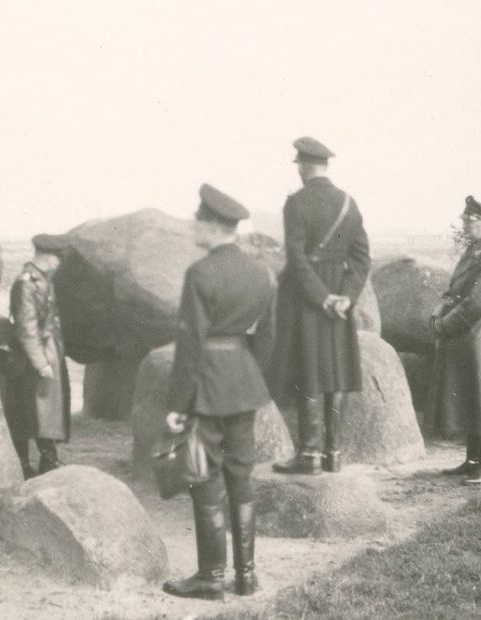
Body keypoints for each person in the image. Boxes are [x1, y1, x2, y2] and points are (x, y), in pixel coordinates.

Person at [161, 184, 276, 601]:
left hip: (206, 385)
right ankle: (246, 576)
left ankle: (211, 577)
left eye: (198, 220)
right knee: (242, 475)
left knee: (203, 475)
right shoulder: (260, 271)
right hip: (243, 382)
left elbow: (190, 344)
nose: (194, 225)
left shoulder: (201, 273)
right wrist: (247, 375)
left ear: (213, 225)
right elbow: (267, 337)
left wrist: (176, 405)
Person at [269, 136, 371, 475]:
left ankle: (309, 455)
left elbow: (296, 259)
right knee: (335, 373)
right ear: (324, 166)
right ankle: (334, 454)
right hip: (339, 299)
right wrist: (345, 295)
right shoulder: (348, 203)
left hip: (306, 299)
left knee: (309, 371)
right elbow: (360, 258)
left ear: (302, 166)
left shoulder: (296, 203)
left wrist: (321, 297)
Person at [426, 196, 481, 485]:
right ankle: (472, 459)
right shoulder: (473, 250)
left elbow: (480, 301)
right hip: (463, 332)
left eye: (468, 221)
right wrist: (438, 313)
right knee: (471, 396)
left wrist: (446, 325)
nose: (464, 225)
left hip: (476, 333)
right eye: (464, 220)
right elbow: (454, 289)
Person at [6, 233, 71, 479]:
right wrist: (40, 362)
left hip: (47, 350)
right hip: (30, 355)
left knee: (46, 409)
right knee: (29, 410)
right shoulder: (27, 282)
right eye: (56, 257)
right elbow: (26, 325)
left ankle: (48, 458)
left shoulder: (41, 279)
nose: (58, 263)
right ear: (46, 256)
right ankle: (24, 464)